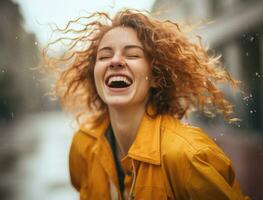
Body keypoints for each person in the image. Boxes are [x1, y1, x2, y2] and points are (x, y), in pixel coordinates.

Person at [44, 9, 249, 200]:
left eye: (132, 54)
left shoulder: (188, 155)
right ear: (93, 74)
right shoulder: (83, 145)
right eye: (104, 56)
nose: (115, 61)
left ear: (156, 77)